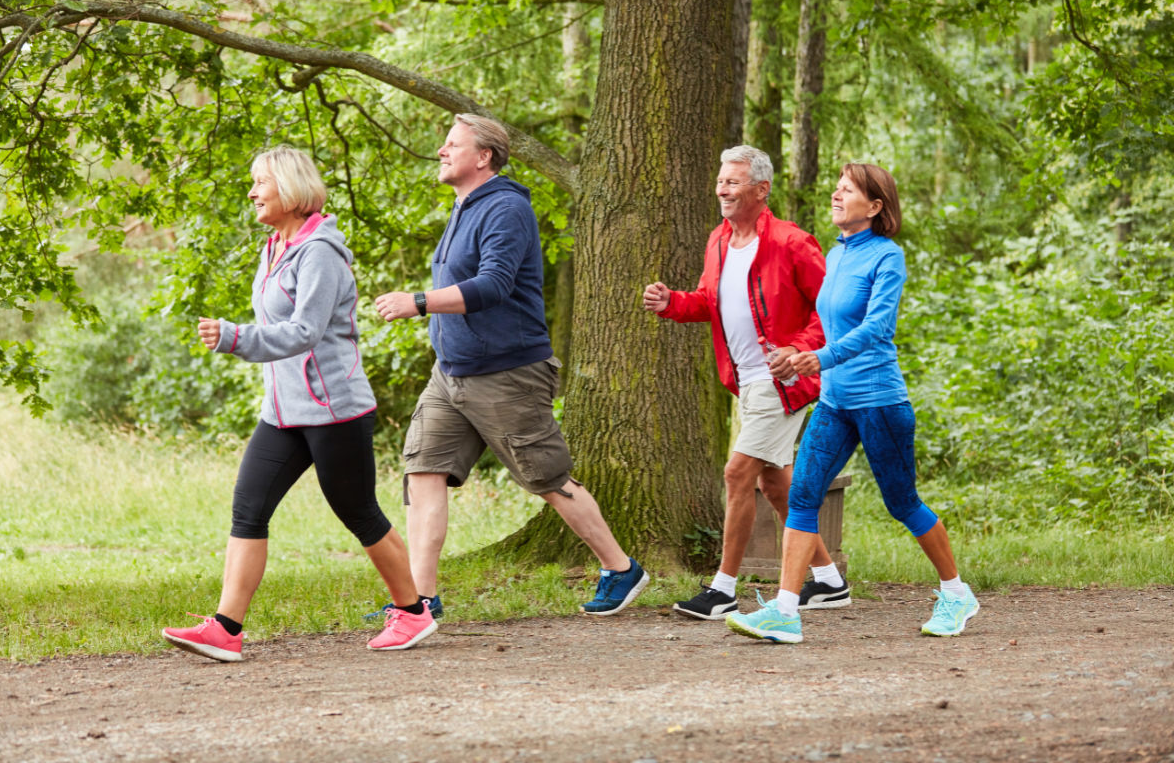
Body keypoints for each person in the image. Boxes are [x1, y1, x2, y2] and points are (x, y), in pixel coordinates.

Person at [162, 146, 436, 662]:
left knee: (358, 512)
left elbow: (305, 331)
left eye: (260, 182)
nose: (252, 192)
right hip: (283, 412)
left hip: (334, 409)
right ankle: (225, 628)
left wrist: (235, 337)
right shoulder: (276, 247)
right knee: (249, 507)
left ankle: (414, 613)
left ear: (289, 188)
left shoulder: (320, 253)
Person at [373, 114, 648, 618]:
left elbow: (495, 284)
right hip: (451, 372)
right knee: (423, 471)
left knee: (547, 477)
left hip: (507, 373)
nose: (441, 150)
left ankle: (620, 567)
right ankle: (419, 602)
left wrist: (419, 301)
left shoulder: (505, 208)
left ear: (484, 157)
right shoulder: (463, 206)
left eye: (452, 143)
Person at [727, 163, 980, 644]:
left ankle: (956, 592)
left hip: (879, 400)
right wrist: (796, 353)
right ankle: (785, 611)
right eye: (837, 188)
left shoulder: (888, 257)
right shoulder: (838, 255)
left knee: (902, 502)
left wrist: (818, 359)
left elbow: (878, 328)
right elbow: (827, 324)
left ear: (876, 206)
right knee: (802, 496)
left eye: (848, 190)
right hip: (835, 401)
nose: (837, 195)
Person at [643, 145, 849, 621]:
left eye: (733, 182)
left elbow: (832, 310)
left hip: (784, 383)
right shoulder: (718, 240)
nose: (722, 189)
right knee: (776, 486)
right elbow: (707, 301)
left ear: (761, 189)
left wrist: (799, 352)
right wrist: (671, 302)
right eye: (721, 181)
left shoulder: (792, 243)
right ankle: (830, 582)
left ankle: (723, 589)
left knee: (737, 473)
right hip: (746, 383)